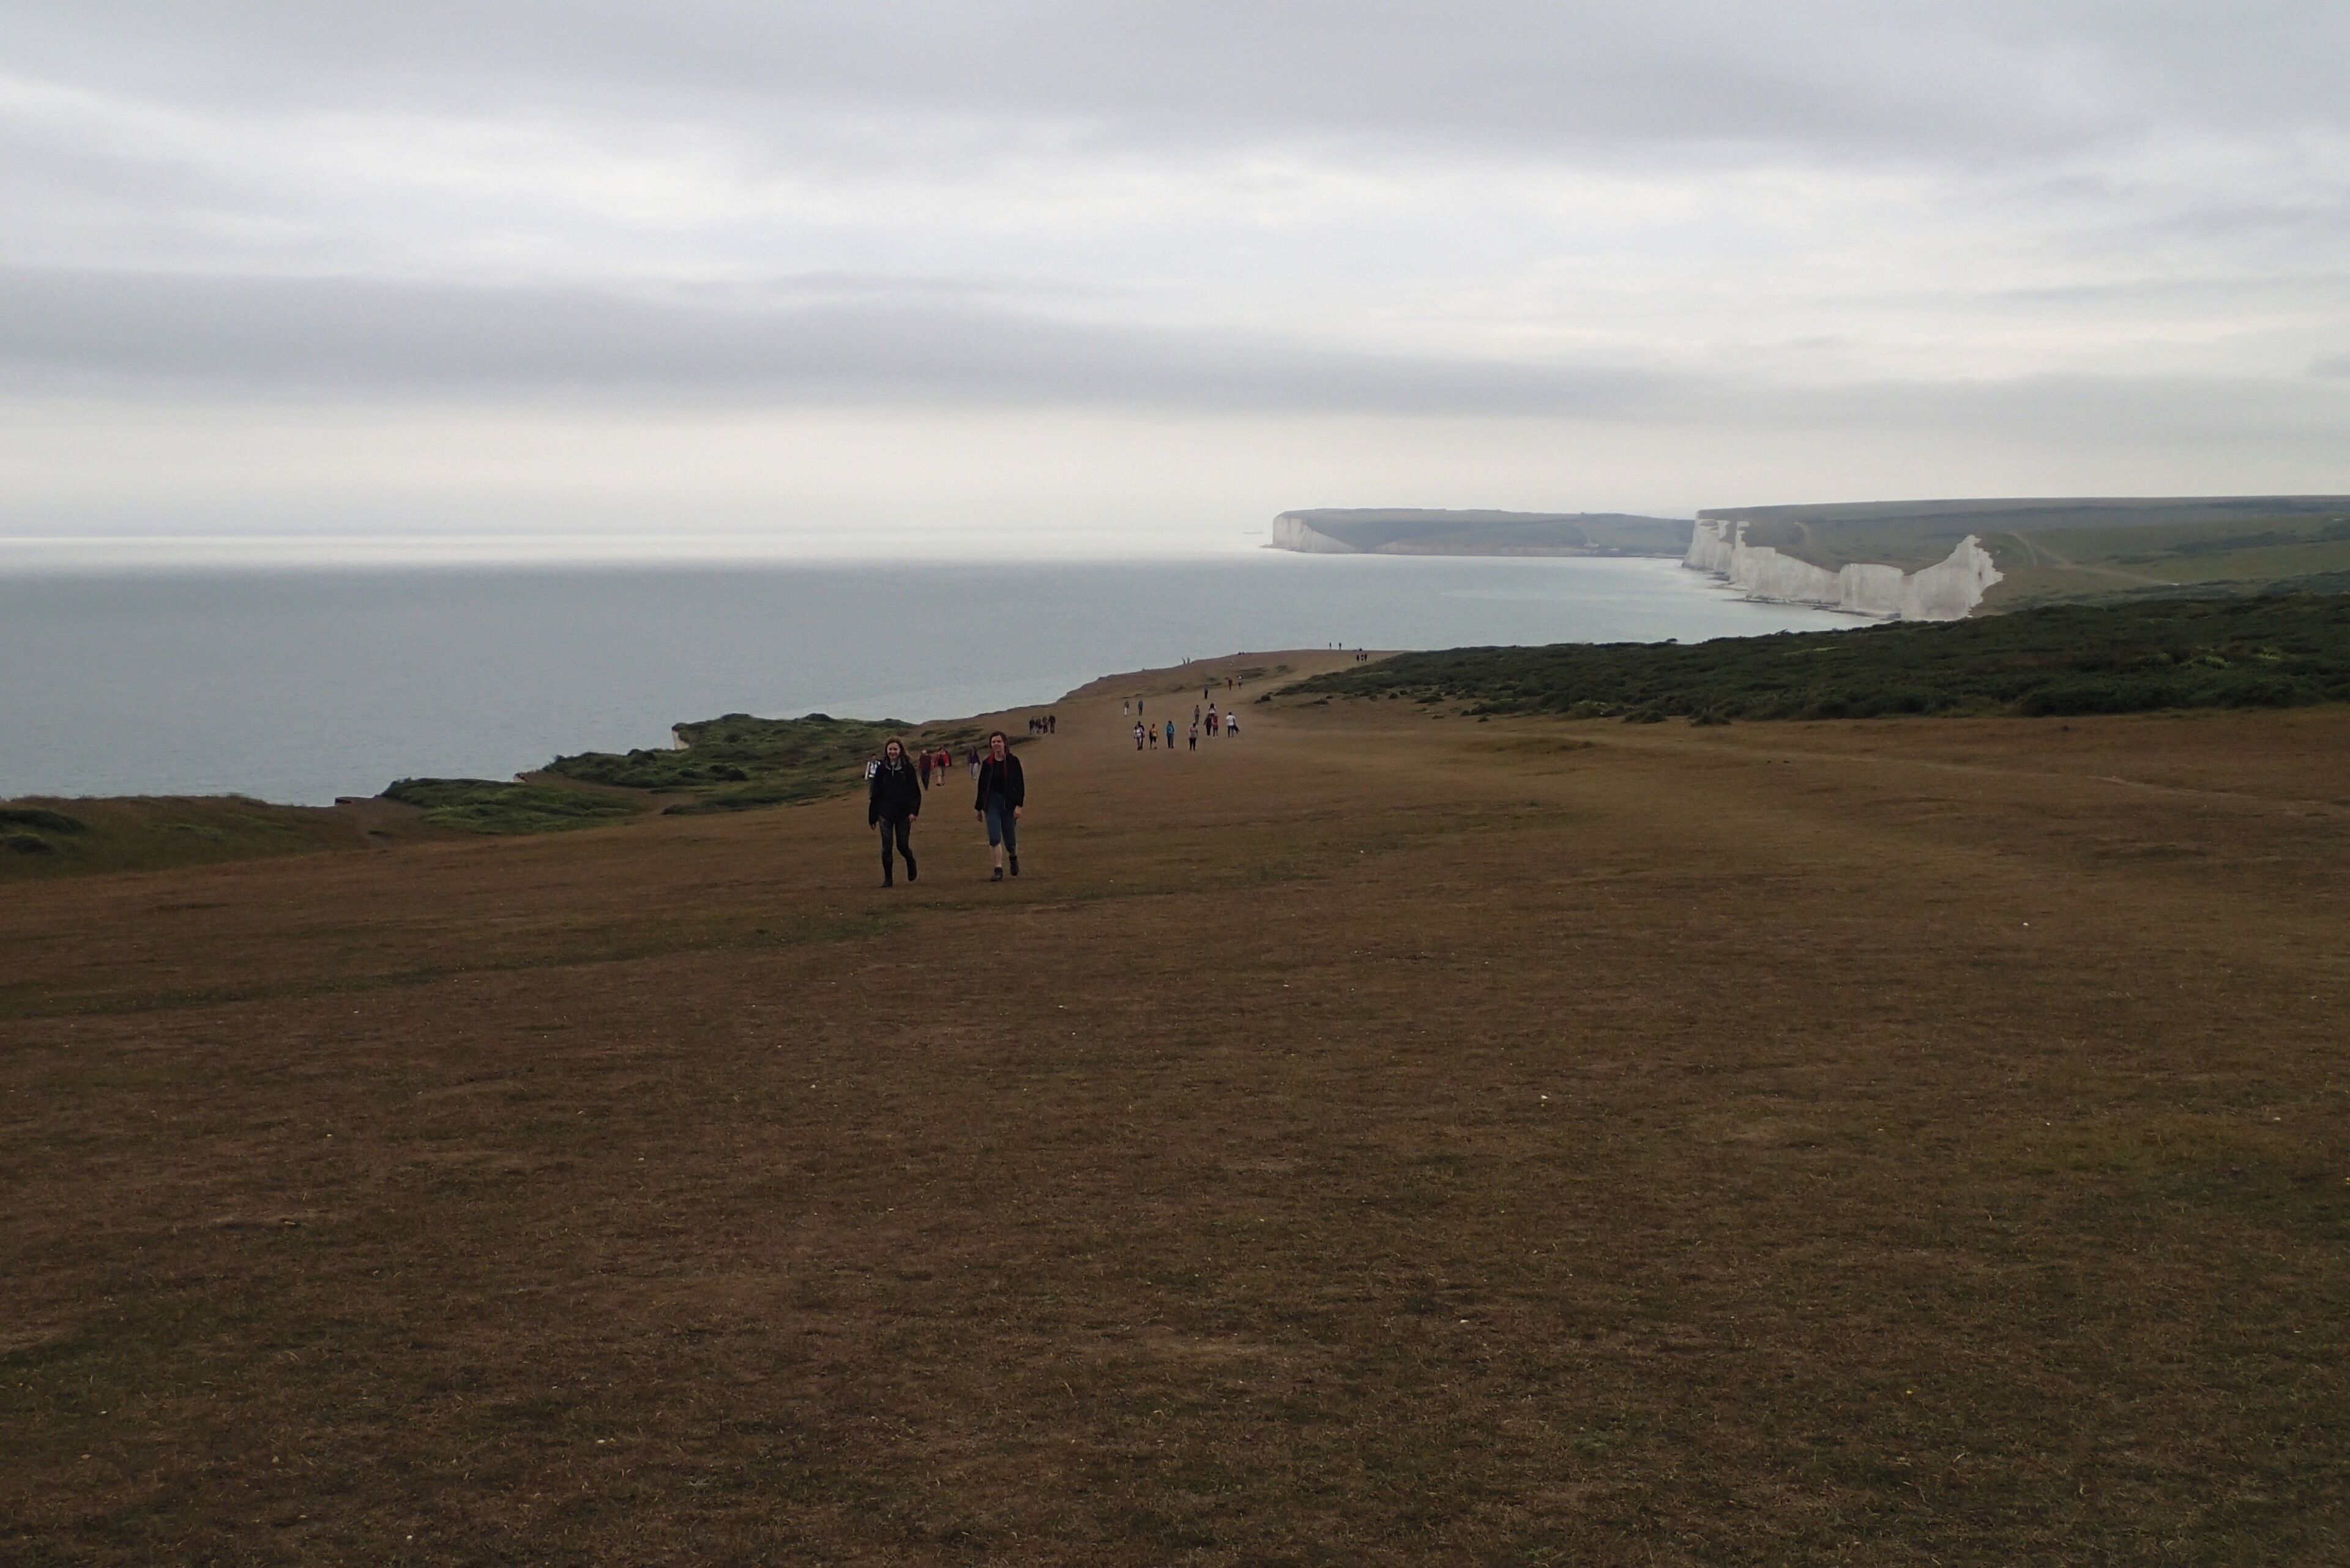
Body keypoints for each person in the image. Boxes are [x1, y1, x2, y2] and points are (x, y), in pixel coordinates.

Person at [867, 737, 923, 887]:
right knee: (887, 846)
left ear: (900, 751)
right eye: (890, 749)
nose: (892, 752)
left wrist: (914, 811)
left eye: (895, 749)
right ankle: (888, 879)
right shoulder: (881, 769)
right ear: (886, 751)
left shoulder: (907, 768)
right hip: (885, 813)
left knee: (902, 845)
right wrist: (872, 816)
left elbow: (915, 792)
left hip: (904, 813)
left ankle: (911, 862)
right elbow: (876, 793)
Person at [974, 730, 1024, 880]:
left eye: (999, 741)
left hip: (1008, 802)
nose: (996, 744)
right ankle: (998, 869)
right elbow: (982, 786)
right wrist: (979, 808)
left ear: (1005, 743)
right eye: (994, 742)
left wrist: (1019, 806)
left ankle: (1013, 857)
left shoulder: (1013, 762)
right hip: (992, 802)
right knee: (994, 837)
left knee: (1010, 840)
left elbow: (1020, 784)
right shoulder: (987, 763)